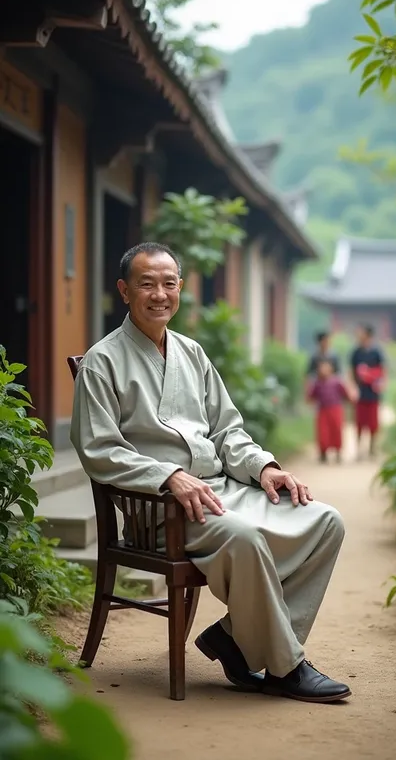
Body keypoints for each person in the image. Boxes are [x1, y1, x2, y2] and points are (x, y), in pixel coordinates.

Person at [70, 242, 351, 704]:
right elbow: (98, 450)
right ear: (124, 291)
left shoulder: (192, 353)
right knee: (244, 538)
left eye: (168, 283)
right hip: (164, 508)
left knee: (325, 522)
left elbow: (228, 432)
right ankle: (286, 667)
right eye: (146, 284)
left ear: (180, 288)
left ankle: (233, 640)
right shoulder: (102, 361)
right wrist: (167, 477)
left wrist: (264, 467)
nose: (159, 294)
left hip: (222, 489)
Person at [349, 325, 385, 458]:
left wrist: (382, 384)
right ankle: (359, 450)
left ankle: (372, 449)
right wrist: (352, 387)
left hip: (373, 393)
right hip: (360, 392)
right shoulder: (356, 352)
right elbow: (351, 371)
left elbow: (383, 370)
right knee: (359, 422)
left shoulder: (377, 352)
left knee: (373, 423)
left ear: (368, 335)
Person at [308, 360, 354, 464]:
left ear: (331, 369)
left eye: (326, 368)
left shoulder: (337, 381)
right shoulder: (317, 383)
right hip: (323, 410)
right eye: (321, 368)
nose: (323, 370)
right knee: (323, 432)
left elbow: (346, 394)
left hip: (335, 409)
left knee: (336, 430)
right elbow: (311, 396)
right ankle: (323, 453)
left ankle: (338, 453)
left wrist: (351, 401)